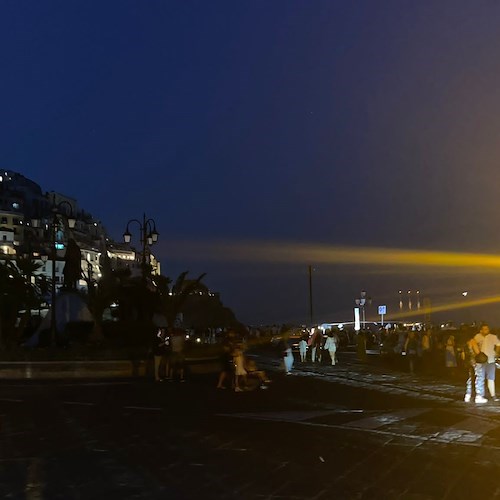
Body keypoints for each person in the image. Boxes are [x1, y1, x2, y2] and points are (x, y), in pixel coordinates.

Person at [472, 323, 500, 402]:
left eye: (487, 329)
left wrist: (496, 353)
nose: (486, 330)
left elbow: (498, 344)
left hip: (491, 360)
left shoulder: (493, 337)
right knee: (480, 378)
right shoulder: (477, 337)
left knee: (491, 378)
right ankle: (480, 396)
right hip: (480, 361)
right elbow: (473, 345)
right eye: (484, 329)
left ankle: (493, 395)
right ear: (481, 330)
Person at [464, 330, 484, 403]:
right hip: (475, 361)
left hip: (468, 361)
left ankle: (468, 395)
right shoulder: (472, 341)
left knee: (470, 379)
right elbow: (477, 352)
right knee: (479, 377)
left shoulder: (465, 343)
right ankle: (479, 396)